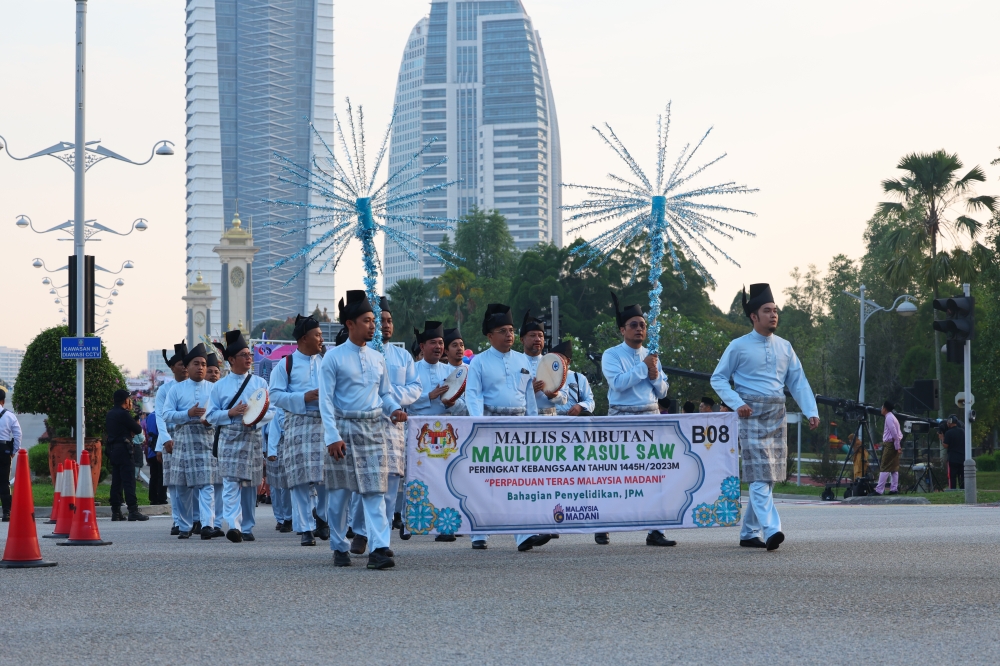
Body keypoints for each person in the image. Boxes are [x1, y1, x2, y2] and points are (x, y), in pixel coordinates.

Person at [710, 283, 819, 551]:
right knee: (759, 475)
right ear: (753, 316)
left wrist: (811, 411)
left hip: (776, 413)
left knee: (767, 477)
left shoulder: (785, 346)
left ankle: (749, 533)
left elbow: (798, 382)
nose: (773, 315)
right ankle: (772, 529)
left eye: (775, 310)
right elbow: (718, 378)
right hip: (750, 415)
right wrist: (737, 403)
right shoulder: (738, 346)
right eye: (767, 311)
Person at [319, 290, 405, 570]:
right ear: (350, 324)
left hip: (373, 429)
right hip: (342, 431)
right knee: (339, 495)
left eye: (374, 321)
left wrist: (394, 409)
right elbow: (325, 401)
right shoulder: (333, 358)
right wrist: (332, 436)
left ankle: (379, 548)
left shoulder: (378, 358)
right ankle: (338, 546)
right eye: (367, 321)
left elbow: (386, 393)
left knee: (375, 492)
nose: (373, 326)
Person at [465, 303, 544, 552]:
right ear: (490, 336)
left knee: (519, 480)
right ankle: (479, 532)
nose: (509, 335)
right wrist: (478, 424)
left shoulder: (522, 360)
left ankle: (524, 535)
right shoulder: (479, 362)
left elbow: (528, 396)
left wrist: (533, 424)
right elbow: (473, 395)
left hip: (519, 426)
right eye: (503, 331)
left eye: (511, 330)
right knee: (487, 481)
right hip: (490, 425)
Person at [347, 297, 421, 555]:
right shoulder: (360, 355)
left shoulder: (403, 356)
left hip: (393, 425)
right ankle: (360, 531)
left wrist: (389, 396)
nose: (386, 325)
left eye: (389, 321)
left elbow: (415, 387)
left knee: (390, 482)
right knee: (365, 481)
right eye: (380, 321)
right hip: (365, 425)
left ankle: (381, 537)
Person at [601, 292, 673, 547]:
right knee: (615, 475)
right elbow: (619, 384)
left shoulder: (652, 355)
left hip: (650, 418)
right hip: (621, 418)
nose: (640, 329)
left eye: (642, 324)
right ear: (623, 329)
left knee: (655, 476)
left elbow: (663, 393)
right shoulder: (611, 355)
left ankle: (656, 530)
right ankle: (603, 524)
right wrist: (644, 367)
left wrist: (655, 375)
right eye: (634, 325)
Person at [269, 314, 331, 546]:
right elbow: (275, 395)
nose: (321, 339)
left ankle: (322, 516)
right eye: (318, 335)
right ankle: (305, 528)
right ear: (304, 338)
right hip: (298, 424)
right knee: (300, 479)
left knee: (327, 477)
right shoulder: (286, 364)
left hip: (324, 424)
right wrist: (302, 397)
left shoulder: (327, 362)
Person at [208, 330, 274, 543]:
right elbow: (210, 415)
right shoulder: (219, 386)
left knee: (250, 485)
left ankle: (247, 527)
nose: (249, 358)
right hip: (229, 437)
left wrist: (254, 419)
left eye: (249, 354)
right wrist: (230, 413)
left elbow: (271, 411)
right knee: (230, 482)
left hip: (252, 437)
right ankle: (233, 525)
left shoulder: (260, 383)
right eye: (244, 355)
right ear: (231, 359)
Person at [162, 343, 220, 540]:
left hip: (206, 439)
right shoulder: (176, 390)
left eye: (203, 364)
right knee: (183, 486)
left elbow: (220, 414)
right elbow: (166, 414)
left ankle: (207, 524)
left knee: (207, 484)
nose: (201, 367)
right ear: (187, 366)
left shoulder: (214, 389)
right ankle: (185, 526)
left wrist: (209, 420)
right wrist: (188, 413)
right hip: (183, 439)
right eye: (196, 363)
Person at [156, 343, 188, 535]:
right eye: (181, 364)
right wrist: (164, 441)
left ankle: (195, 520)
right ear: (172, 367)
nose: (185, 368)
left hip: (191, 440)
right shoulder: (164, 390)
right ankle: (177, 520)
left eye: (187, 364)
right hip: (171, 441)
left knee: (193, 483)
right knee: (175, 484)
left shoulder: (195, 386)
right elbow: (160, 417)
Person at [105, 389, 149, 522]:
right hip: (124, 450)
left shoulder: (110, 414)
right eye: (129, 399)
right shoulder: (124, 414)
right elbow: (138, 429)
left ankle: (116, 511)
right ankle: (133, 510)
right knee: (129, 481)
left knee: (116, 481)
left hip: (113, 450)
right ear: (125, 400)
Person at [521, 310, 567, 416]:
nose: (537, 339)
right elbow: (508, 397)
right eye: (532, 335)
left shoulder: (553, 362)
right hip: (524, 418)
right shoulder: (515, 362)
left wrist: (554, 395)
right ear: (522, 339)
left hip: (549, 419)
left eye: (540, 336)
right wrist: (529, 391)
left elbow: (564, 399)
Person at [264, 410, 293, 532]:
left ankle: (299, 519)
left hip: (296, 442)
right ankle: (283, 518)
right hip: (279, 446)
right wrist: (268, 449)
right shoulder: (277, 404)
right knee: (277, 485)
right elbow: (271, 429)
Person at [554, 341, 596, 417]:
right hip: (550, 420)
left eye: (560, 359)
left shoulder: (578, 378)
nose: (557, 361)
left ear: (568, 361)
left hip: (573, 420)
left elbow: (590, 402)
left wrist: (580, 406)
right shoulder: (545, 376)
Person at [0, 388, 23, 522]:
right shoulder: (9, 415)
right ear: (3, 401)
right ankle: (6, 513)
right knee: (4, 482)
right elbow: (18, 435)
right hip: (3, 449)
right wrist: (13, 451)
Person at [874, 401, 902, 495]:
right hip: (894, 444)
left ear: (885, 409)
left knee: (885, 466)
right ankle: (894, 489)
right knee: (894, 467)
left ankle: (879, 490)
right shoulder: (893, 417)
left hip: (890, 444)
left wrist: (897, 446)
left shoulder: (889, 418)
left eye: (882, 407)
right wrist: (898, 445)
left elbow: (894, 433)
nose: (881, 409)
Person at [441, 327, 469, 415]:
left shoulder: (472, 370)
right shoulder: (442, 372)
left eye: (461, 345)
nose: (459, 348)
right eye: (454, 345)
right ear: (446, 351)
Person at [143, 408, 167, 504]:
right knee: (162, 474)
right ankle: (161, 497)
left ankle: (153, 498)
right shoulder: (162, 414)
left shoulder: (150, 416)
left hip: (151, 448)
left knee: (153, 475)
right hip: (160, 446)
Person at [941, 415, 965, 490]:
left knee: (952, 476)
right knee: (962, 476)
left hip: (953, 458)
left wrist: (942, 438)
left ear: (949, 422)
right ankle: (963, 489)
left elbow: (945, 445)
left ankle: (952, 490)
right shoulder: (962, 431)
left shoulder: (948, 433)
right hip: (962, 457)